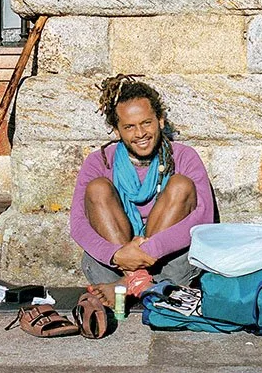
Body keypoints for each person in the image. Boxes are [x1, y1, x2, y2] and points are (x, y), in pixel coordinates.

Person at [69, 74, 214, 306]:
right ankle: (138, 282)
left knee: (181, 185)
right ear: (117, 130)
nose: (140, 134)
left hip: (167, 262)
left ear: (160, 121)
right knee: (97, 189)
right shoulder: (99, 161)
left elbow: (204, 217)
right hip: (117, 264)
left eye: (146, 123)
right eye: (129, 127)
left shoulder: (184, 156)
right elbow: (78, 224)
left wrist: (148, 251)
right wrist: (117, 256)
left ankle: (128, 286)